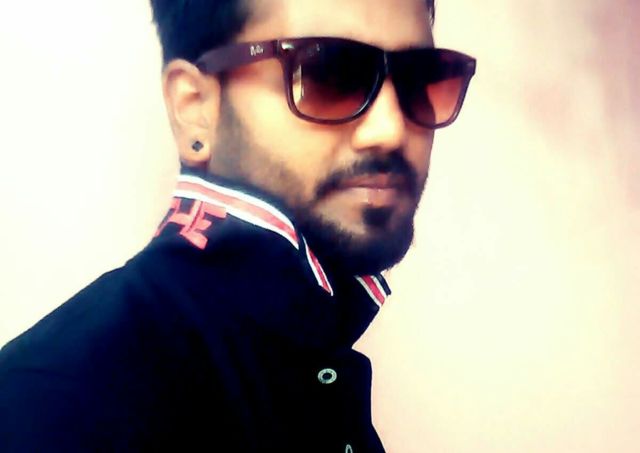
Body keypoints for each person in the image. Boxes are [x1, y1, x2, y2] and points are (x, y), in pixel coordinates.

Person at [0, 0, 475, 451]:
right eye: (329, 71)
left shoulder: (316, 345)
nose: (392, 130)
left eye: (420, 78)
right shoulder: (52, 405)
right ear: (195, 108)